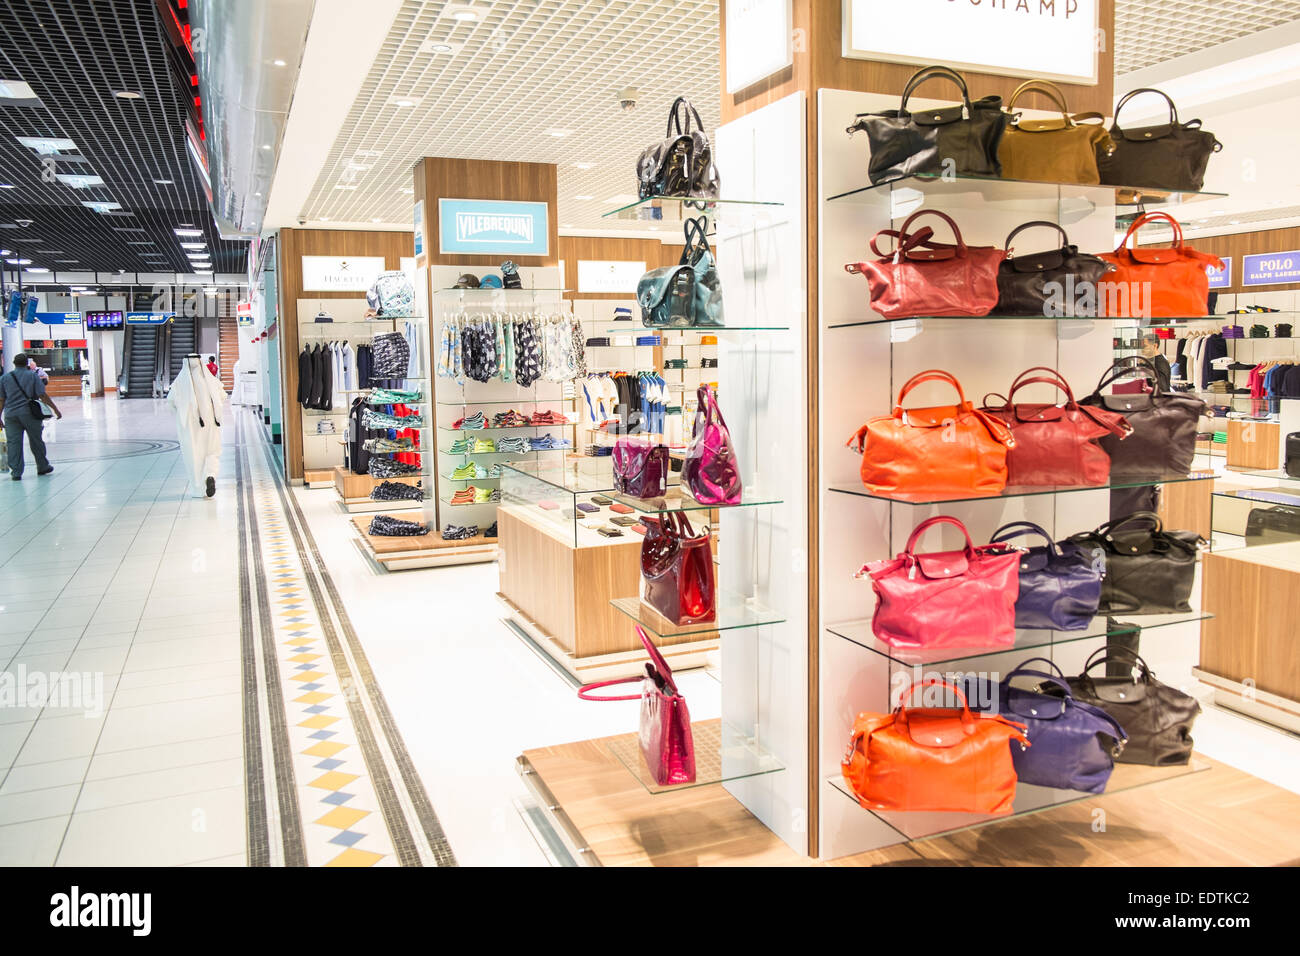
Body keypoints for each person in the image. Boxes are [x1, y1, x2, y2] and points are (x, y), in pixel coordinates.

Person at [167, 354, 225, 498]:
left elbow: (171, 402)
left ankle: (198, 489)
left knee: (194, 455)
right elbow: (222, 395)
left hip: (191, 429)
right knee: (212, 451)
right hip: (210, 424)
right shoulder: (209, 380)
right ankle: (210, 474)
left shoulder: (180, 382)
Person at [0, 352, 62, 480]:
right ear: (26, 364)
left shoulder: (5, 378)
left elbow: (1, 399)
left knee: (13, 443)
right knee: (36, 440)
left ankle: (16, 472)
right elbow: (42, 395)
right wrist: (55, 409)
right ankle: (42, 466)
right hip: (29, 413)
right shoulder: (32, 376)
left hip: (11, 415)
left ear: (14, 363)